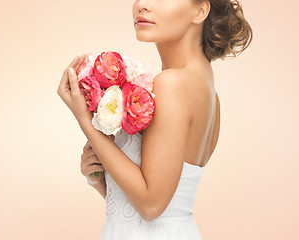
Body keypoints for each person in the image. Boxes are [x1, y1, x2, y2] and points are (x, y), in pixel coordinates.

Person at [57, 0, 253, 238]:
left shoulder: (171, 84)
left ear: (200, 11)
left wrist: (85, 120)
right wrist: (101, 178)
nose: (143, 5)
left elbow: (151, 205)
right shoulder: (209, 92)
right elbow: (163, 202)